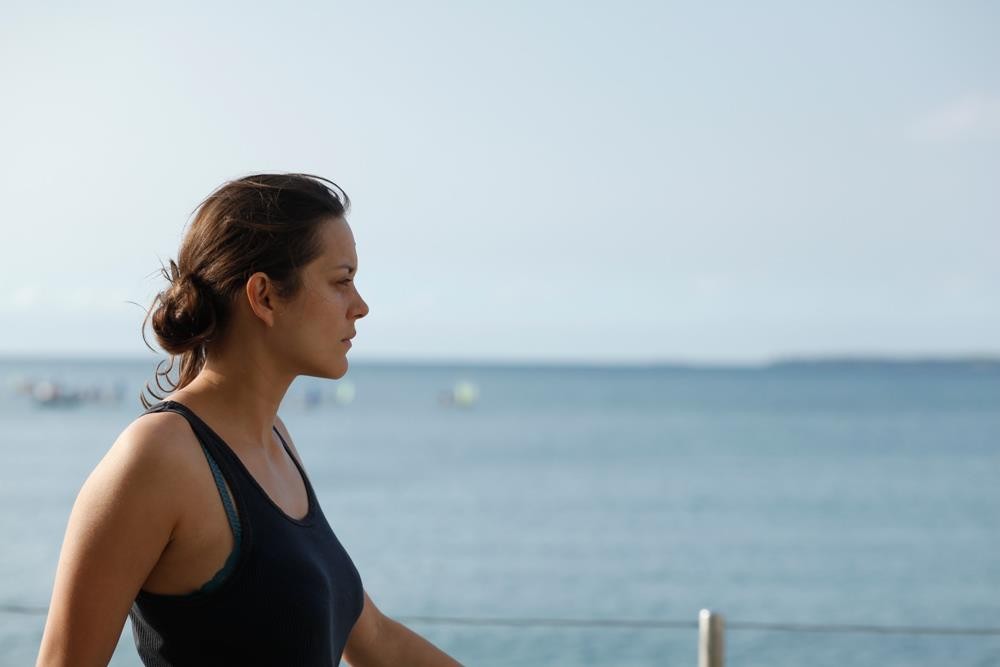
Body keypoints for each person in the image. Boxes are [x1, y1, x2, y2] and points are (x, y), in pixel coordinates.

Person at [36, 173, 463, 666]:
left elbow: (376, 639)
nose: (360, 307)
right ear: (264, 296)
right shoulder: (158, 456)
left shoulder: (276, 441)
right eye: (341, 281)